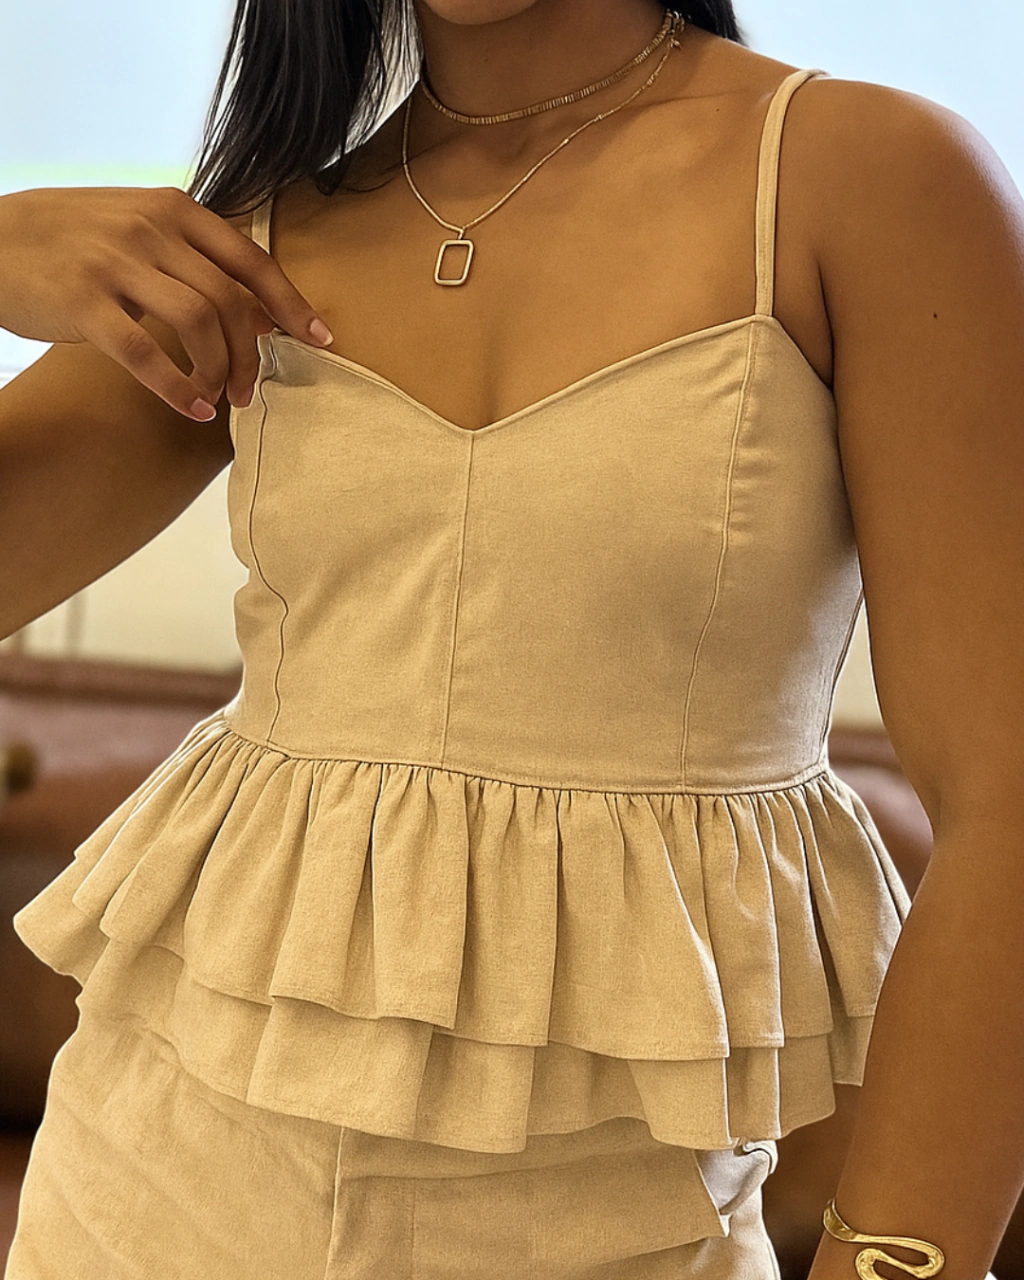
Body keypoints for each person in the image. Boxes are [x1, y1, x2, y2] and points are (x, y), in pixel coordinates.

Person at [1, 1, 1022, 1277]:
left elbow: (1004, 801)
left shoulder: (863, 181)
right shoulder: (257, 245)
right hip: (135, 1201)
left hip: (626, 1234)